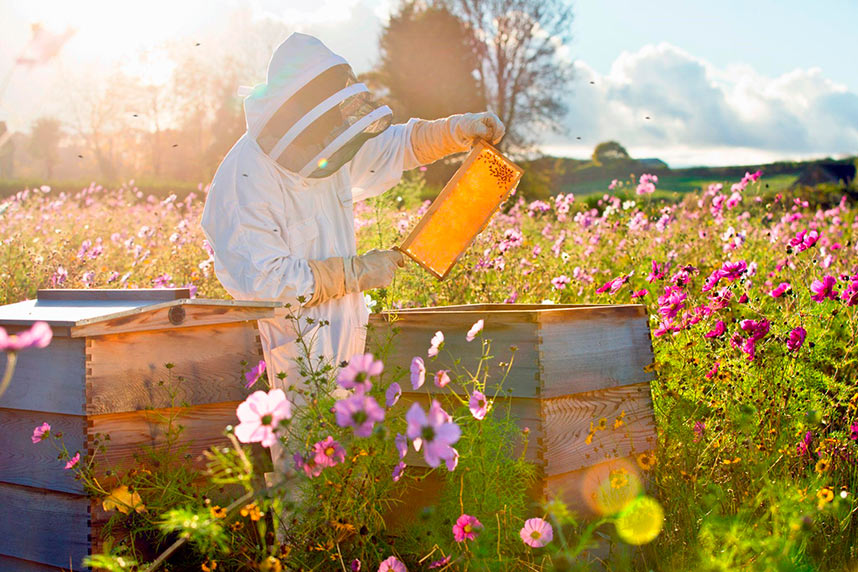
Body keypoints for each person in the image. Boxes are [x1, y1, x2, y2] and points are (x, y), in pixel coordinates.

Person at [200, 32, 504, 472]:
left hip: (349, 342)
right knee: (303, 485)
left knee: (350, 484)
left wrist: (458, 130)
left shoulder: (327, 149)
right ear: (297, 110)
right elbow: (265, 282)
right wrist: (356, 272)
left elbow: (396, 146)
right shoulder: (244, 179)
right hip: (294, 356)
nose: (337, 131)